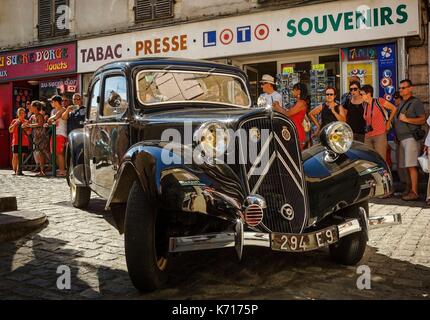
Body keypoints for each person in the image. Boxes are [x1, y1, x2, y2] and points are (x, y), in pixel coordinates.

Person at [394, 79, 426, 201]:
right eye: (400, 88)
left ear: (410, 88)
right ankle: (409, 188)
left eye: (404, 88)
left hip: (411, 138)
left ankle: (414, 192)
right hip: (402, 139)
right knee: (406, 166)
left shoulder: (416, 103)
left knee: (412, 165)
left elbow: (423, 120)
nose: (401, 90)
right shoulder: (402, 102)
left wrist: (407, 120)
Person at [361, 85, 396, 161]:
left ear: (369, 94)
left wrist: (388, 122)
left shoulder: (379, 101)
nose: (361, 96)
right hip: (368, 136)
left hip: (379, 135)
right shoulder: (364, 104)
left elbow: (394, 108)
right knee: (368, 159)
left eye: (362, 94)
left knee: (380, 159)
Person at [274, 83, 307, 150]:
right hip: (293, 130)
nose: (292, 92)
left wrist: (278, 107)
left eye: (293, 90)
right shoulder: (298, 103)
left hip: (297, 131)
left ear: (299, 91)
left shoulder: (301, 103)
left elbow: (288, 114)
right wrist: (278, 107)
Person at [23, 101, 50, 176]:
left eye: (31, 106)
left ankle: (44, 170)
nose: (30, 107)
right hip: (36, 137)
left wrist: (29, 125)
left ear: (35, 107)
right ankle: (42, 170)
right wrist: (24, 125)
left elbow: (40, 124)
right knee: (39, 153)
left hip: (42, 137)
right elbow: (28, 123)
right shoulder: (32, 116)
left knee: (44, 153)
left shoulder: (40, 115)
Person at [46, 95, 67, 177]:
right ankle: (60, 169)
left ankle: (63, 170)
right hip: (54, 133)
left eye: (52, 101)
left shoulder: (63, 109)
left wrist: (50, 119)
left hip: (61, 133)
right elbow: (50, 121)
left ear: (56, 102)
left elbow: (56, 117)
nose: (51, 103)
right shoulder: (53, 111)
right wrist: (50, 120)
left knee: (59, 153)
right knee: (54, 152)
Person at [8, 108, 31, 175]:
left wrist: (25, 127)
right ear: (17, 114)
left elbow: (29, 132)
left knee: (21, 156)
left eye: (23, 113)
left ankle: (19, 170)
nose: (21, 114)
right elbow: (10, 130)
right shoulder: (14, 121)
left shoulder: (26, 121)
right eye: (20, 113)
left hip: (24, 141)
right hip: (16, 141)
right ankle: (14, 170)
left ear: (25, 114)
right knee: (15, 155)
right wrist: (15, 124)